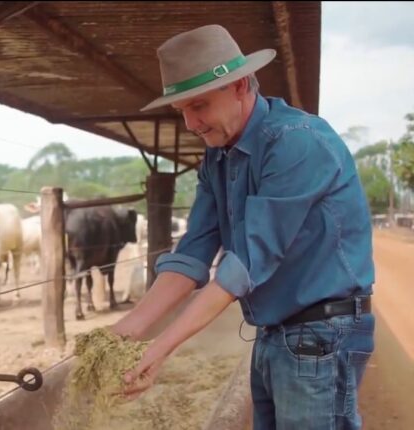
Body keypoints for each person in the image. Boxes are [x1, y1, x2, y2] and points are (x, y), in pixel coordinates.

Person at [110, 24, 375, 429]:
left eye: (199, 105)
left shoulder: (295, 143)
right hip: (275, 332)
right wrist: (123, 334)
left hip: (322, 333)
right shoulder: (219, 158)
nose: (191, 124)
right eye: (181, 110)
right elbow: (192, 255)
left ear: (239, 86)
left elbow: (245, 265)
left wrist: (160, 348)